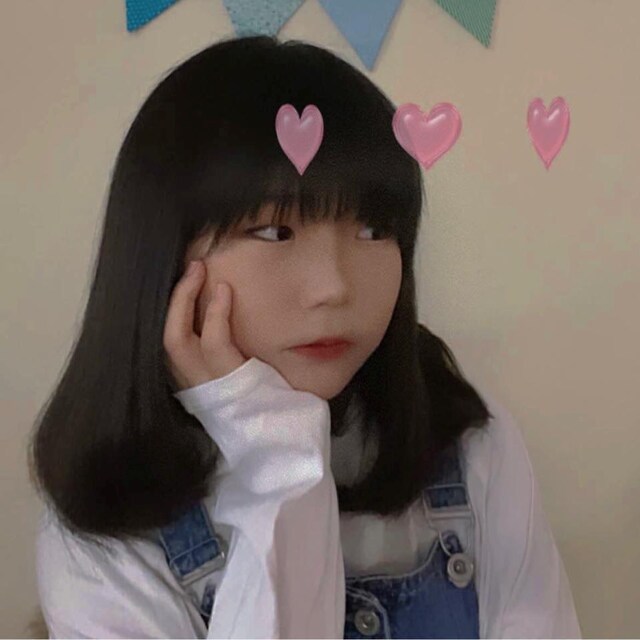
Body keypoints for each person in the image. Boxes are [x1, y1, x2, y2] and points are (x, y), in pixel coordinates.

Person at [28, 35, 581, 638]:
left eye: (373, 229)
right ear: (162, 255)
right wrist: (279, 458)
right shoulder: (103, 539)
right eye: (274, 232)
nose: (333, 287)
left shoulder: (469, 446)